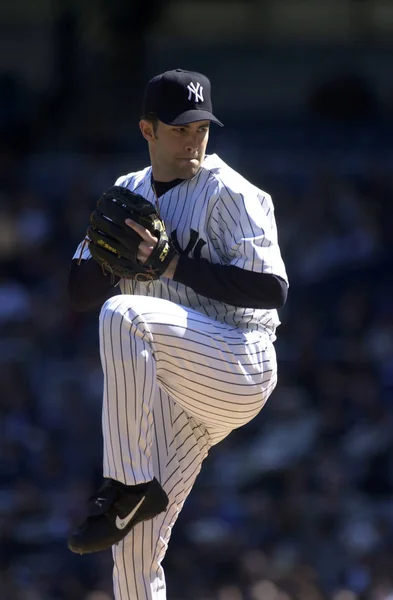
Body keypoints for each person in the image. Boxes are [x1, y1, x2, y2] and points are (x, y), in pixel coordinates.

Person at [67, 68, 288, 600]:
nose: (194, 139)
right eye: (180, 128)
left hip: (240, 359)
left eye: (201, 128)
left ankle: (125, 487)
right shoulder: (127, 191)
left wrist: (171, 265)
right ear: (148, 130)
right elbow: (75, 292)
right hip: (177, 388)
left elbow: (272, 290)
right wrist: (108, 258)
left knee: (123, 314)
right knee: (134, 551)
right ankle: (132, 498)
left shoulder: (231, 192)